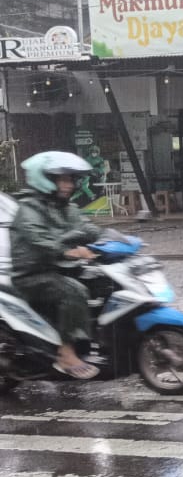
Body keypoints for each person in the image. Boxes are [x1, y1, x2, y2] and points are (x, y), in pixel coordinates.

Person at [10, 151, 102, 379]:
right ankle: (66, 354)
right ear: (45, 179)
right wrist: (68, 251)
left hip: (59, 269)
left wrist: (112, 239)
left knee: (102, 282)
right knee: (74, 290)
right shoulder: (29, 208)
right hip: (31, 275)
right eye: (62, 179)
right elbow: (39, 239)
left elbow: (86, 227)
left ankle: (90, 341)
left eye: (70, 179)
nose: (68, 185)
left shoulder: (66, 207)